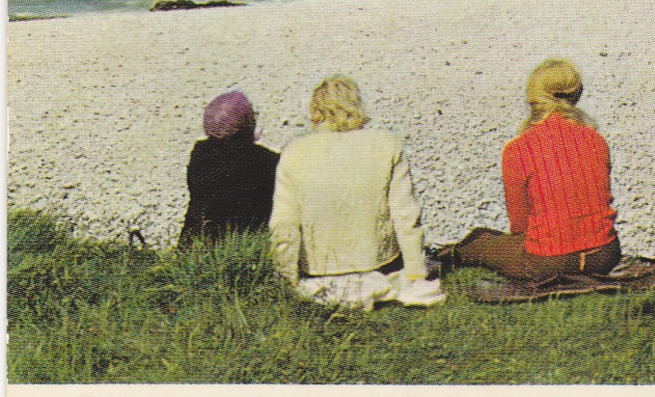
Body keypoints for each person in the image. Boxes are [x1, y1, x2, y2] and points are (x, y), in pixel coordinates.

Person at [269, 75, 443, 308]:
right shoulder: (387, 143)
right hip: (379, 265)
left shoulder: (294, 151)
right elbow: (406, 216)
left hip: (317, 271)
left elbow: (284, 225)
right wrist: (415, 274)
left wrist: (286, 280)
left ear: (316, 112)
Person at [438, 60, 621, 280]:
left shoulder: (518, 148)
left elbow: (519, 224)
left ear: (533, 97)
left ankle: (447, 258)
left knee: (478, 241)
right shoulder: (596, 140)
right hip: (604, 255)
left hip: (547, 263)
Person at [179, 90, 279, 245]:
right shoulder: (265, 161)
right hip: (245, 248)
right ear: (246, 123)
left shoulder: (200, 155)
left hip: (196, 244)